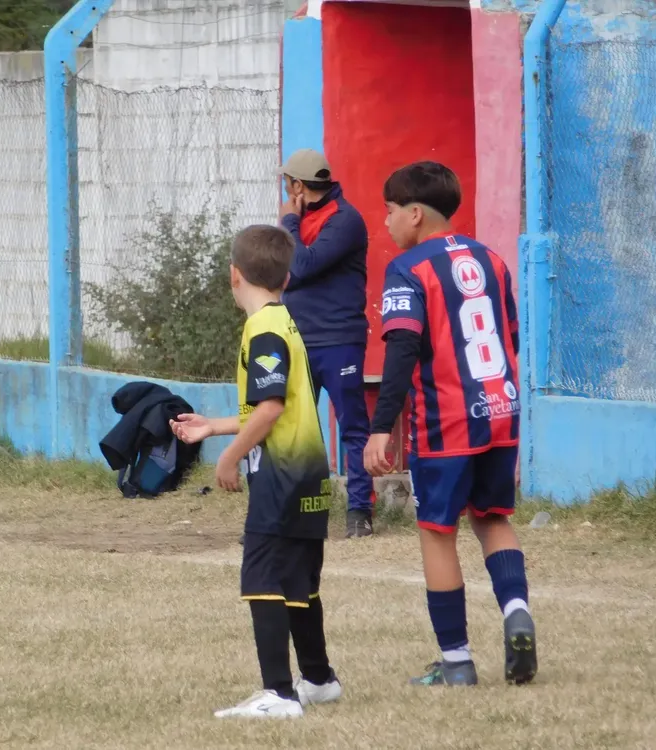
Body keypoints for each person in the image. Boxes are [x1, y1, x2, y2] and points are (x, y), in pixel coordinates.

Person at [363, 161, 537, 686]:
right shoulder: (493, 259)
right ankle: (515, 613)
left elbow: (402, 348)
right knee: (492, 518)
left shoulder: (409, 269)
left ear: (415, 214)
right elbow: (510, 337)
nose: (387, 222)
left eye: (390, 211)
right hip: (500, 413)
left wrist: (380, 426)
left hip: (446, 422)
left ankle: (457, 662)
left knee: (437, 533)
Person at [171, 224, 341, 719]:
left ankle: (278, 694)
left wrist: (228, 458)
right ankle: (318, 679)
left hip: (282, 480)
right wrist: (215, 428)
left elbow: (268, 409)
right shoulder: (286, 322)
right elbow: (280, 407)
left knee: (263, 577)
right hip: (310, 476)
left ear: (234, 276)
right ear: (287, 278)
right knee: (299, 584)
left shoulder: (262, 329)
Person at [277, 149, 373, 537]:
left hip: (339, 340)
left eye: (288, 183)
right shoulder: (301, 223)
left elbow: (302, 265)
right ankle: (285, 512)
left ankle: (359, 512)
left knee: (352, 427)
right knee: (291, 429)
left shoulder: (344, 220)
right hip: (298, 337)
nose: (285, 190)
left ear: (299, 186)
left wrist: (287, 222)